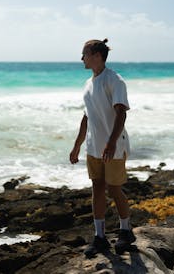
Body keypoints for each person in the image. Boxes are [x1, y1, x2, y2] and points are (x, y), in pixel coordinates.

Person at [69, 38, 136, 258]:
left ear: (97, 55)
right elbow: (86, 118)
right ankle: (100, 237)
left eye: (84, 54)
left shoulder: (114, 80)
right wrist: (77, 146)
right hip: (94, 147)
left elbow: (121, 113)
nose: (81, 58)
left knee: (114, 188)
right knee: (97, 188)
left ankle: (126, 231)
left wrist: (111, 142)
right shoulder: (88, 84)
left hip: (113, 147)